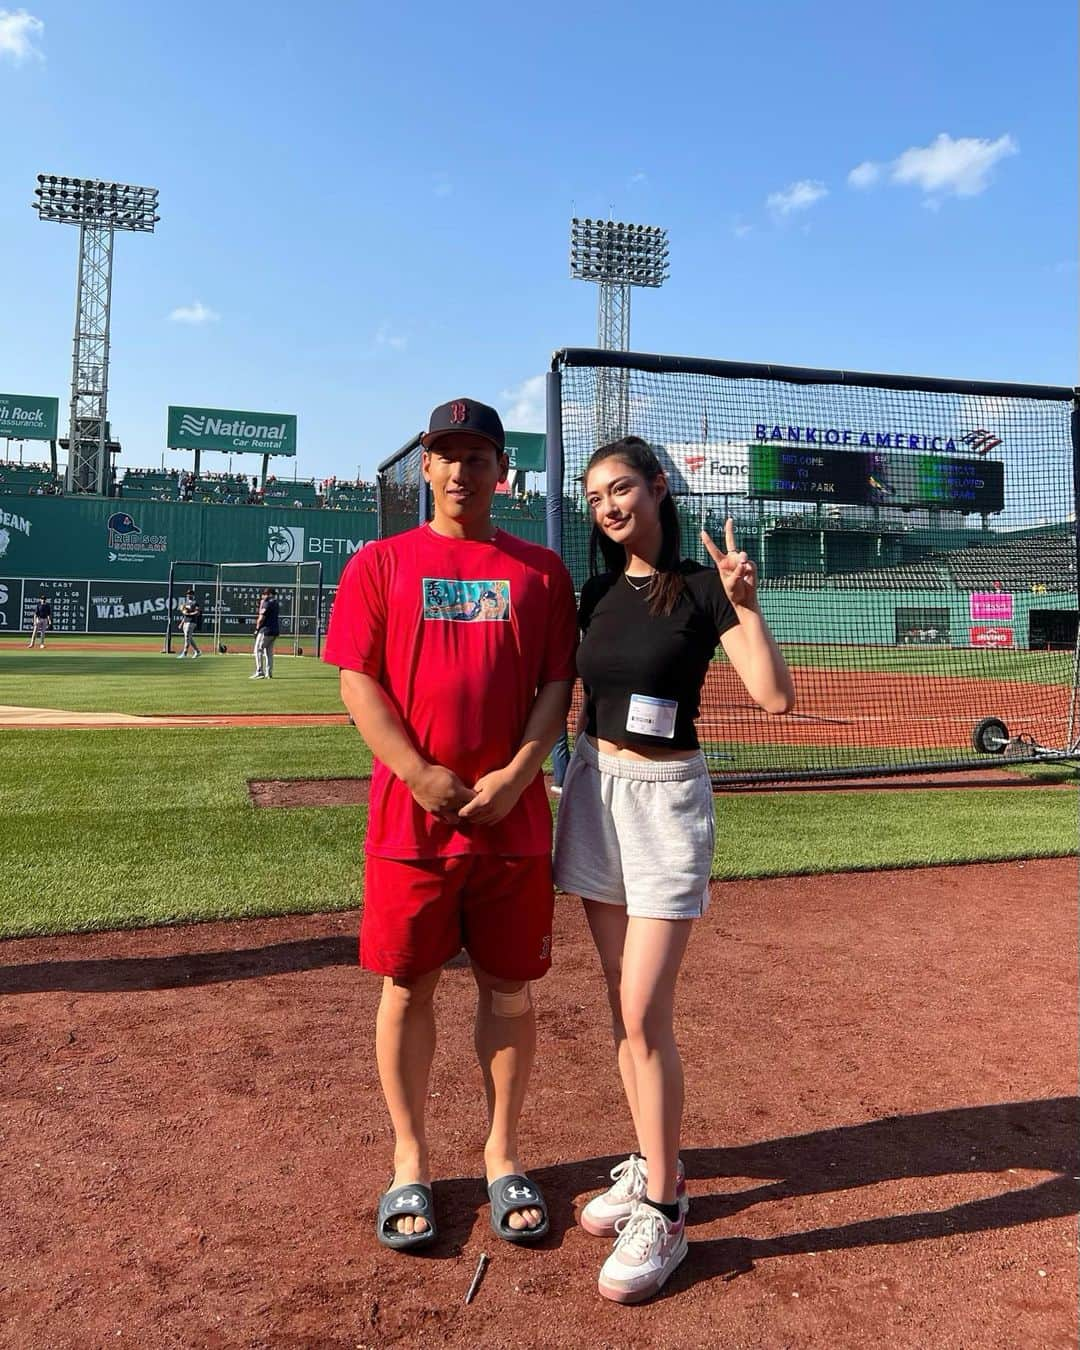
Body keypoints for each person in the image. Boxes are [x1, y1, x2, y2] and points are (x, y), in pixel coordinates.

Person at [323, 397, 577, 1252]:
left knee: (509, 989)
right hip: (412, 822)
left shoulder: (541, 573)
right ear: (424, 467)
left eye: (479, 455)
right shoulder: (378, 565)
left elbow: (554, 687)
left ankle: (503, 1151)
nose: (463, 469)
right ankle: (411, 1161)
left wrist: (518, 772)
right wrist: (417, 770)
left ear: (504, 471)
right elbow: (358, 680)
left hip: (511, 821)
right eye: (447, 455)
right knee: (407, 985)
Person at [553, 436, 795, 1304]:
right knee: (622, 1010)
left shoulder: (701, 586)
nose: (610, 506)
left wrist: (748, 604)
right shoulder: (593, 593)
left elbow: (773, 695)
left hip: (666, 803)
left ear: (659, 489)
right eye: (595, 497)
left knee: (643, 1012)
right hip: (593, 792)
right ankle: (654, 1161)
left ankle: (667, 1206)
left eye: (622, 488)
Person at [251, 587, 279, 679]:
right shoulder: (276, 603)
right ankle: (269, 673)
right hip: (274, 631)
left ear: (269, 594)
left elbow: (261, 618)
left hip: (266, 630)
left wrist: (256, 629)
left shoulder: (267, 603)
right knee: (269, 653)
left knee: (258, 649)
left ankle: (259, 672)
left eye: (264, 594)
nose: (263, 596)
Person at [176, 588, 202, 658]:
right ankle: (197, 651)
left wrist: (189, 613)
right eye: (188, 594)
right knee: (189, 638)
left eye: (190, 594)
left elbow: (197, 612)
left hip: (192, 622)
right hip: (186, 622)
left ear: (193, 595)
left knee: (187, 637)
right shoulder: (186, 603)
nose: (188, 595)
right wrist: (181, 623)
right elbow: (185, 614)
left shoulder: (195, 603)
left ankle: (184, 653)